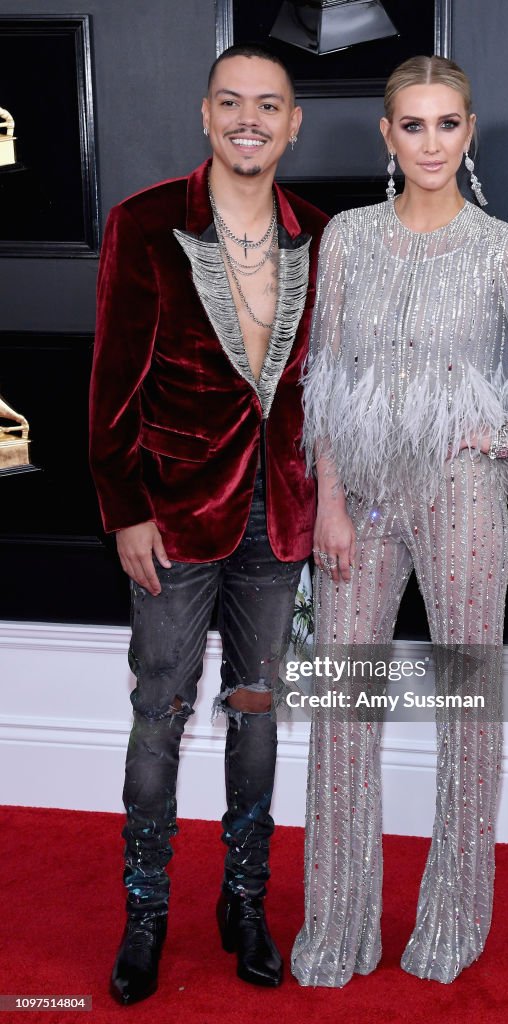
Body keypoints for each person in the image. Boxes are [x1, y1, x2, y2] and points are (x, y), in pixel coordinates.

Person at [290, 55, 508, 987]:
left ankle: (452, 917)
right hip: (356, 497)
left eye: (447, 124)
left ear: (467, 133)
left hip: (463, 496)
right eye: (413, 125)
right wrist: (327, 503)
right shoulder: (348, 240)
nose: (430, 142)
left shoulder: (500, 248)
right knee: (340, 713)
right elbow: (324, 382)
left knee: (464, 710)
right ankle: (339, 925)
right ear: (387, 136)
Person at [89, 44, 328, 1004]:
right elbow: (110, 382)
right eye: (231, 102)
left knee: (257, 709)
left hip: (280, 510)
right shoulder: (145, 223)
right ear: (204, 113)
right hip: (174, 512)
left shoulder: (316, 233)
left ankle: (244, 903)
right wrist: (124, 510)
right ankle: (145, 915)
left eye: (267, 105)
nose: (248, 119)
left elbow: (319, 387)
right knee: (158, 716)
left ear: (292, 123)